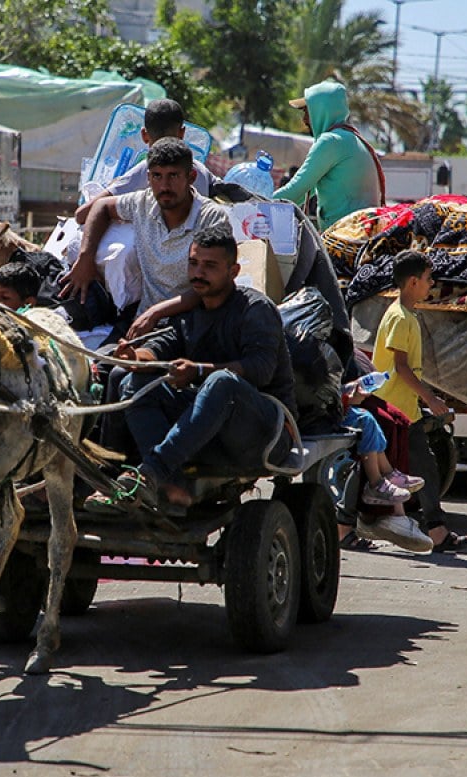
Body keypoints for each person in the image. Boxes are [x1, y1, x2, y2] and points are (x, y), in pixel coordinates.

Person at [112, 224, 296, 509]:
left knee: (221, 383)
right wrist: (135, 358)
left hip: (265, 432)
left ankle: (153, 472)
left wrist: (198, 370)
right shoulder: (191, 314)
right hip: (205, 433)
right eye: (194, 263)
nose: (198, 273)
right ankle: (172, 487)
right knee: (133, 384)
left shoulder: (255, 309)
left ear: (233, 272)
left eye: (210, 266)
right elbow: (159, 350)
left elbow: (261, 370)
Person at [370, 250, 467, 552]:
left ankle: (437, 530)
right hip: (392, 411)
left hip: (404, 411)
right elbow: (401, 367)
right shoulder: (400, 318)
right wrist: (430, 398)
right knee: (384, 472)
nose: (432, 285)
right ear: (413, 282)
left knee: (419, 470)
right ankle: (342, 525)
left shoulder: (406, 315)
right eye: (429, 279)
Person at [62, 137, 229, 315]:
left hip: (192, 320)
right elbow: (100, 206)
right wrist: (86, 258)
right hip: (146, 320)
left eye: (173, 175)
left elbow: (213, 283)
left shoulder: (211, 218)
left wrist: (156, 313)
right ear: (148, 178)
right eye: (157, 176)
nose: (165, 186)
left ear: (191, 177)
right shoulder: (143, 203)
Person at [74, 98, 214, 224]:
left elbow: (83, 214)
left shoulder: (147, 169)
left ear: (144, 135)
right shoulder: (201, 170)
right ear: (182, 133)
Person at [273, 80, 384, 231]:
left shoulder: (330, 141)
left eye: (307, 111)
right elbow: (302, 193)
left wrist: (257, 205)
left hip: (346, 236)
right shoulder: (350, 138)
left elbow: (296, 188)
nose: (304, 120)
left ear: (321, 111)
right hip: (362, 232)